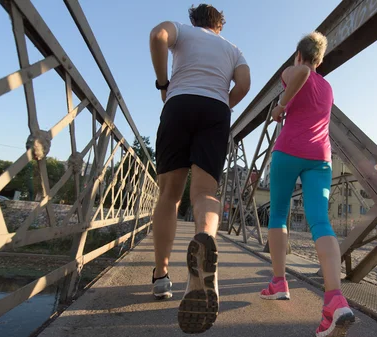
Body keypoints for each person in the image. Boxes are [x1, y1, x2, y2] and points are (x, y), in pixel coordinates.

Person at [148, 3, 251, 334]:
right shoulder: (233, 49)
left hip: (179, 103)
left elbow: (157, 36)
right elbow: (245, 84)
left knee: (170, 194)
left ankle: (161, 277)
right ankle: (204, 239)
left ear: (195, 20)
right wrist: (223, 102)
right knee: (205, 191)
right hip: (215, 110)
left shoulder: (182, 29)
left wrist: (163, 83)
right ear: (219, 26)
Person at [259, 32, 355, 337]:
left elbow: (301, 73)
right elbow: (310, 78)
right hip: (320, 159)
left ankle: (278, 282)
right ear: (321, 59)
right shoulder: (328, 87)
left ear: (299, 55)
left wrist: (280, 105)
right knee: (320, 221)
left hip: (288, 152)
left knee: (277, 215)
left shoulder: (295, 70)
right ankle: (334, 299)